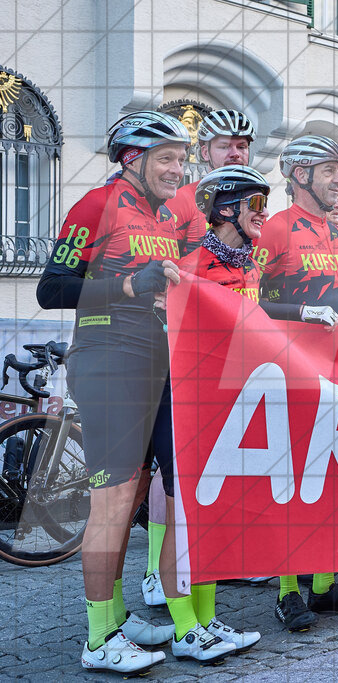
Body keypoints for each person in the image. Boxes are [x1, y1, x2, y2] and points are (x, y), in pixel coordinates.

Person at [37, 111, 189, 674]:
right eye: (167, 159)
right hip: (107, 361)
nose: (178, 169)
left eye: (181, 158)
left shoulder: (165, 215)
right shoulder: (95, 206)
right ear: (132, 159)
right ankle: (98, 638)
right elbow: (51, 287)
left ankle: (116, 615)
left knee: (135, 501)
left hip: (156, 360)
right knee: (113, 501)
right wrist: (128, 283)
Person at [158, 165, 288, 660]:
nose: (264, 214)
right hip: (187, 400)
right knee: (183, 515)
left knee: (215, 513)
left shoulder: (252, 266)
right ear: (226, 209)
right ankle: (183, 626)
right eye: (256, 205)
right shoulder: (189, 264)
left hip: (234, 401)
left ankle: (209, 620)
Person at [256, 135, 338, 632]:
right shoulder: (274, 229)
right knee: (293, 483)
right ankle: (288, 592)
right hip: (285, 372)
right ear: (301, 174)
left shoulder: (333, 232)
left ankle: (325, 587)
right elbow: (245, 302)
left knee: (329, 479)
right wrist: (299, 312)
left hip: (333, 372)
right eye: (331, 170)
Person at [165, 109, 255, 256]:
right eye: (224, 146)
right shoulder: (182, 199)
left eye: (241, 147)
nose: (235, 154)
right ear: (205, 153)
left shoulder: (255, 202)